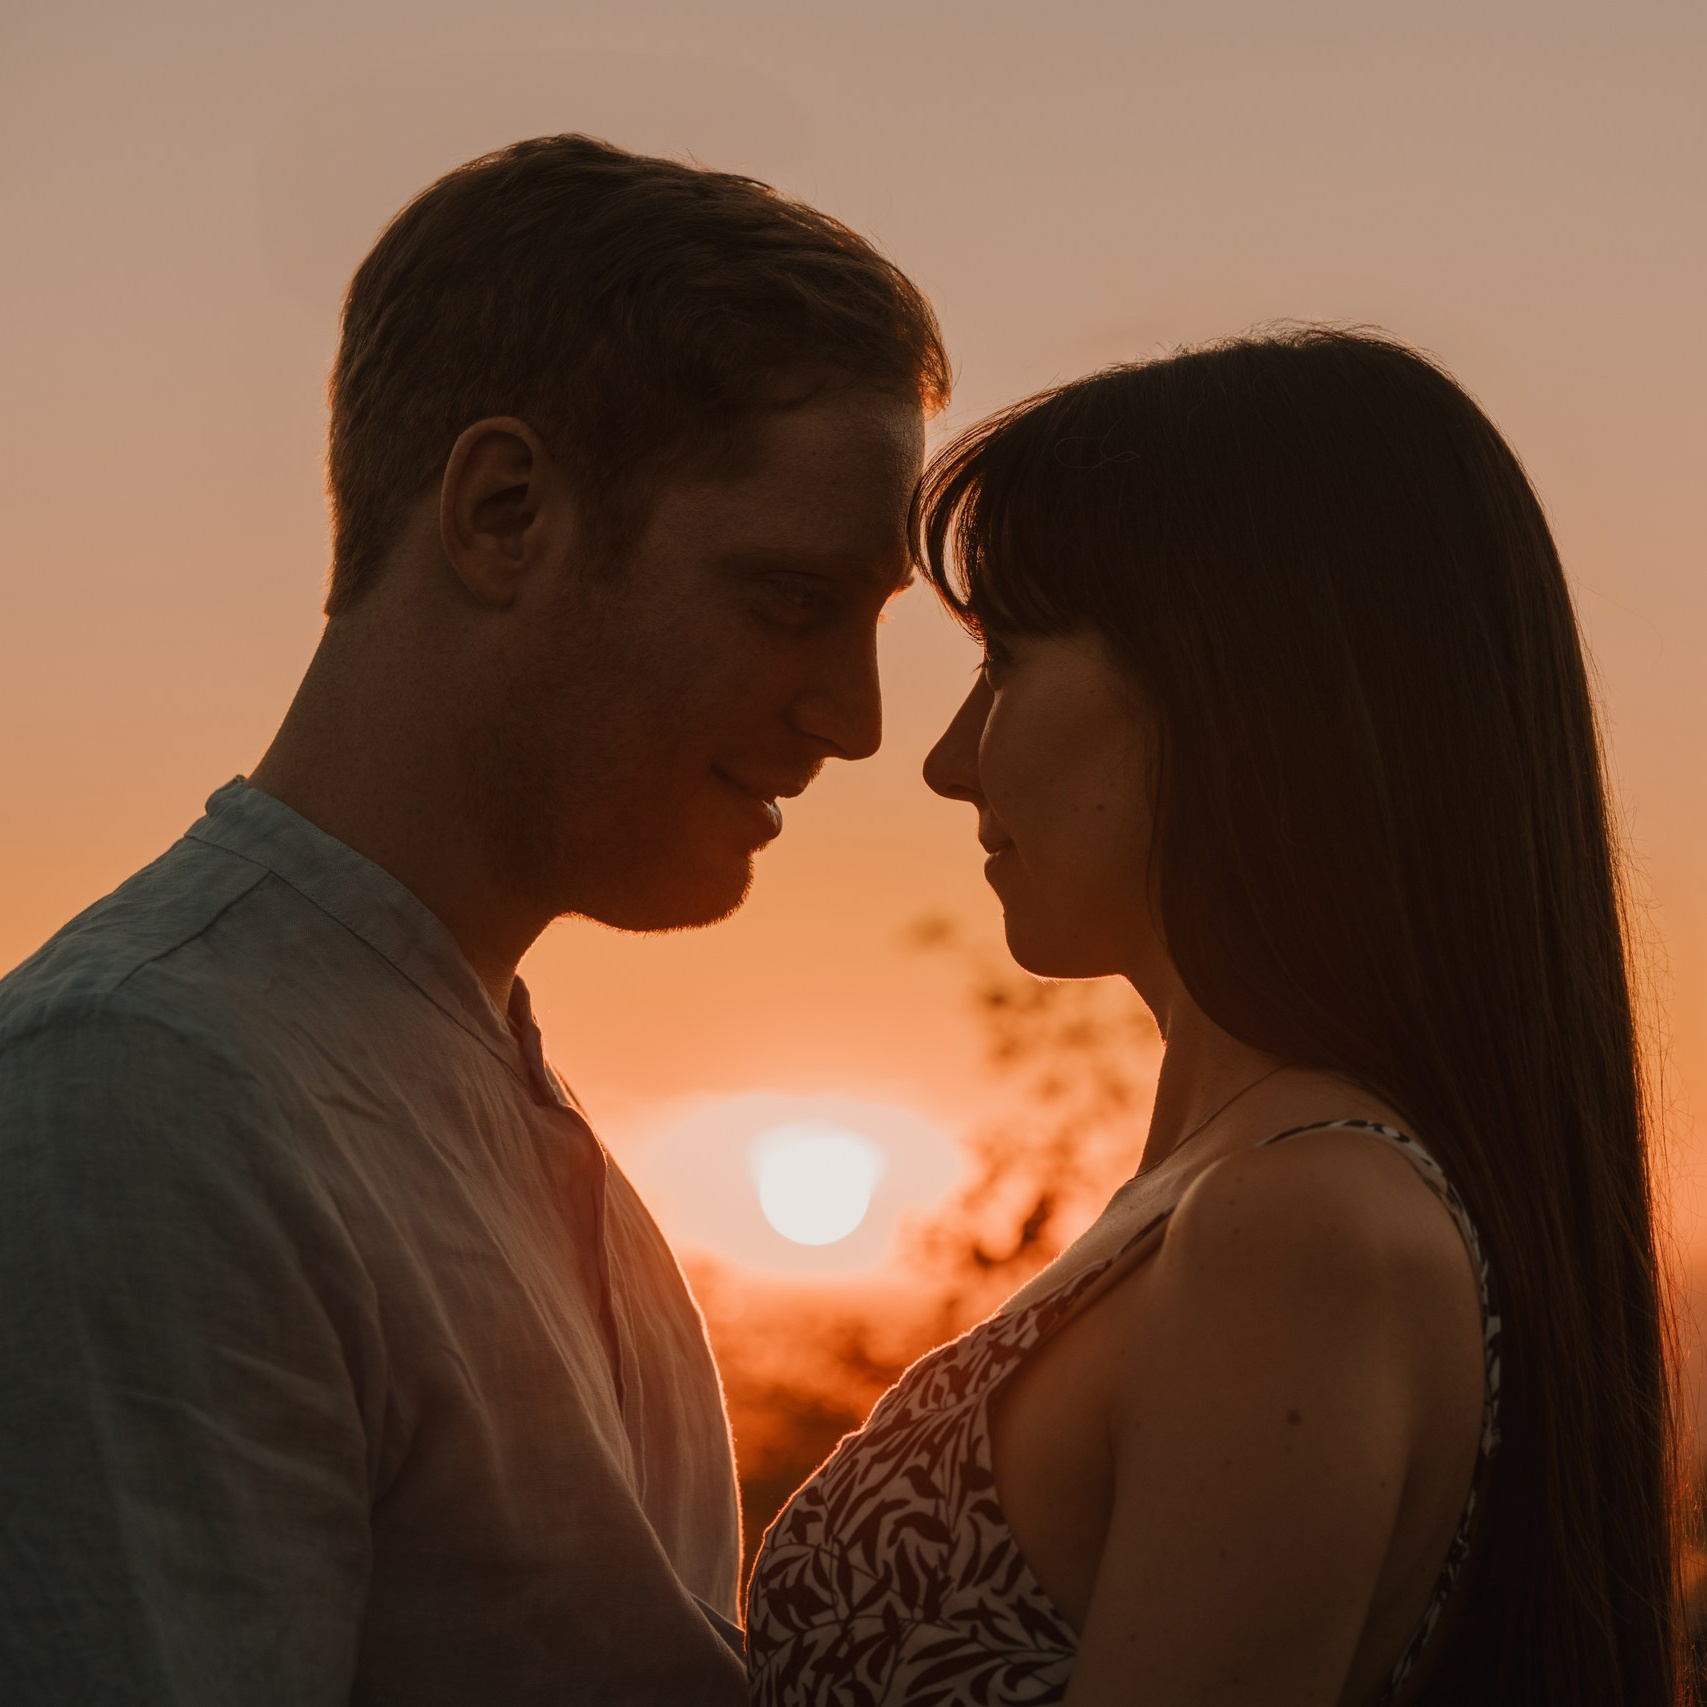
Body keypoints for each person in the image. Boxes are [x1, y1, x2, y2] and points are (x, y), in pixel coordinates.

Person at [0, 134, 946, 1704]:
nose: (853, 721)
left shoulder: (505, 1120)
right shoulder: (141, 1100)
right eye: (789, 601)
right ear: (504, 511)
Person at [745, 329, 1681, 1705]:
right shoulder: (1232, 1196)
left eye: (1004, 658)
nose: (946, 762)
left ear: (1229, 684)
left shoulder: (1297, 1224)